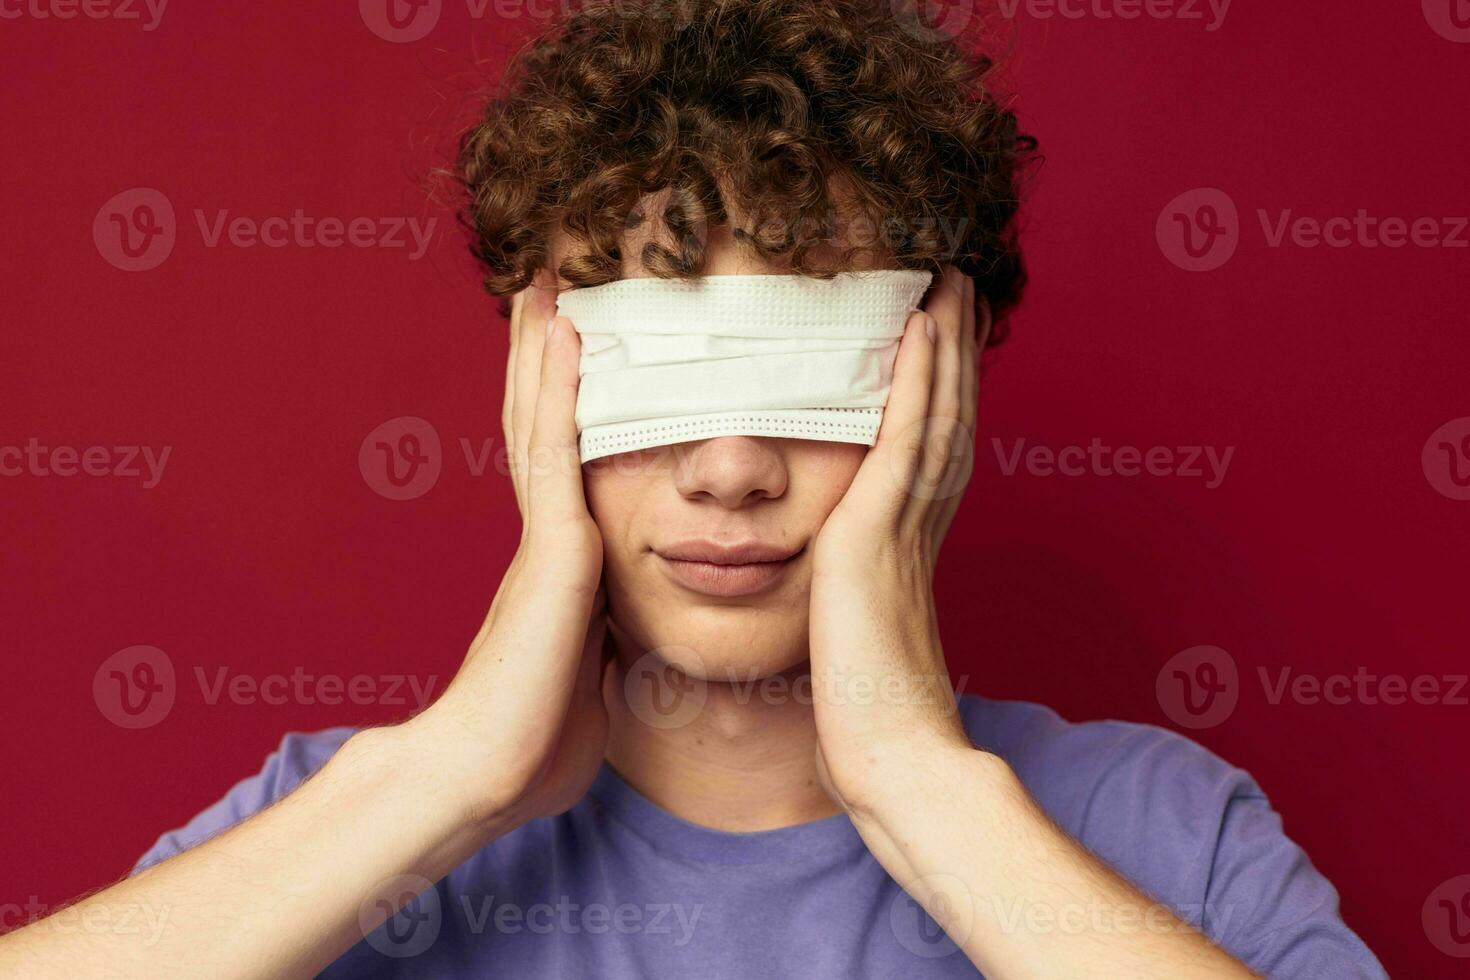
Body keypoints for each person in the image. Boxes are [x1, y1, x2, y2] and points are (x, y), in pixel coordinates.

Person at [0, 1, 1386, 976]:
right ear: (543, 385)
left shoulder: (1158, 829)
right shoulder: (335, 823)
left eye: (804, 370)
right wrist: (448, 779)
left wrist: (919, 787)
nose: (729, 471)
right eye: (663, 371)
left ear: (935, 384)